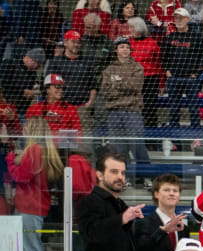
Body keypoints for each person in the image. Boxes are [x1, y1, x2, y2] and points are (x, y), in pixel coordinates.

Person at [4, 117, 62, 251]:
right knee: (29, 247)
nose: (23, 131)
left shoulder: (35, 150)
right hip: (34, 208)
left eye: (25, 127)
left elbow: (21, 176)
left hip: (29, 208)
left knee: (30, 249)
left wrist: (9, 160)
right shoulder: (42, 151)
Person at [101, 36, 150, 164]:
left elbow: (136, 87)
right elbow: (106, 92)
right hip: (114, 112)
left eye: (127, 47)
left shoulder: (137, 67)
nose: (125, 50)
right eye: (122, 47)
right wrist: (125, 84)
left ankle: (146, 176)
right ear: (116, 50)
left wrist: (117, 83)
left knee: (137, 145)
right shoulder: (108, 70)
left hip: (132, 111)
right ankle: (124, 177)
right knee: (118, 148)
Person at [134, 173, 190, 251]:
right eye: (167, 190)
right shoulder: (144, 222)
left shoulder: (184, 229)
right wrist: (163, 231)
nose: (172, 193)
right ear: (156, 194)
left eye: (175, 191)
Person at [162, 7, 203, 128]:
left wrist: (196, 74)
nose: (178, 20)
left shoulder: (196, 37)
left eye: (181, 18)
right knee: (174, 110)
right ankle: (175, 143)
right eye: (176, 18)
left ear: (187, 19)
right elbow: (163, 57)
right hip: (174, 78)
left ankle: (195, 139)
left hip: (191, 79)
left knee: (193, 109)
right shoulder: (170, 37)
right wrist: (167, 71)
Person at [45, 31, 99, 133]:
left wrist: (90, 103)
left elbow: (93, 85)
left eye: (78, 42)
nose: (76, 45)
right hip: (61, 108)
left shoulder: (87, 61)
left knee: (84, 143)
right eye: (73, 42)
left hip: (81, 109)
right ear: (65, 42)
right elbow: (49, 84)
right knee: (60, 142)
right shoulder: (55, 62)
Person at [128, 17, 162, 128]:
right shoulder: (127, 43)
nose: (130, 30)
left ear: (139, 28)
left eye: (132, 27)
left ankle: (151, 138)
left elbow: (159, 64)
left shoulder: (152, 43)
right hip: (133, 80)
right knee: (133, 107)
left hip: (150, 80)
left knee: (150, 108)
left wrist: (161, 84)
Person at [0, 48, 45, 116]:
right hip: (5, 109)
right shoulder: (9, 63)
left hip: (22, 111)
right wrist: (23, 91)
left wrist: (31, 93)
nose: (37, 68)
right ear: (31, 60)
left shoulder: (33, 73)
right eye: (37, 65)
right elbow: (3, 83)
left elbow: (41, 88)